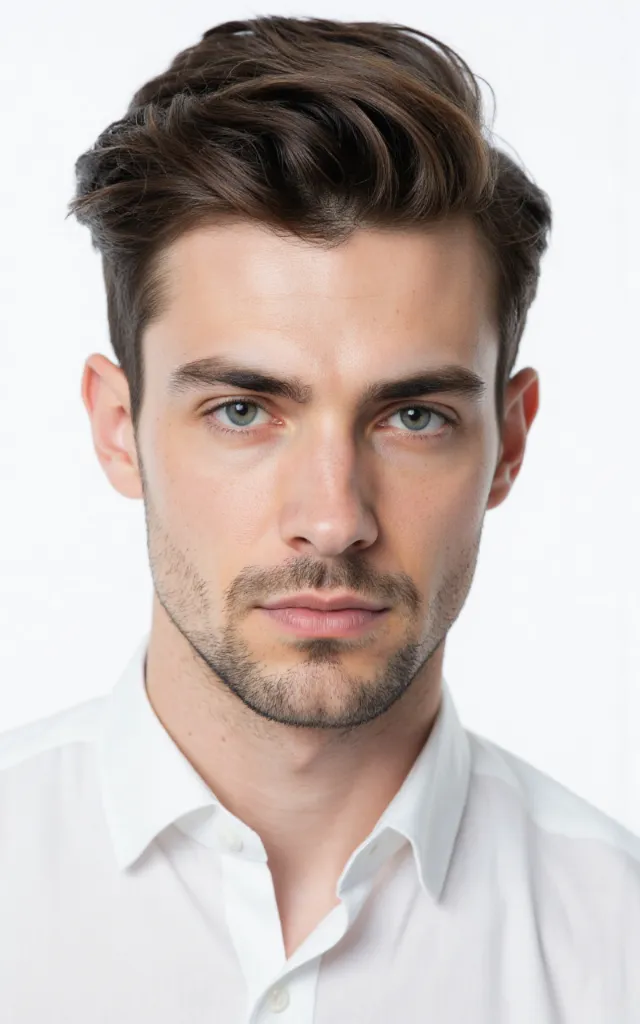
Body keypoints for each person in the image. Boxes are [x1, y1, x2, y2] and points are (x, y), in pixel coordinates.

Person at [1, 14, 638, 1022]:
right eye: (244, 411)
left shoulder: (619, 942)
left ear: (509, 441)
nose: (333, 519)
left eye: (414, 415)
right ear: (119, 429)